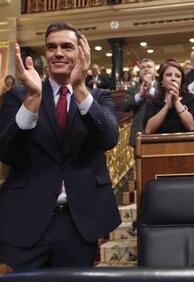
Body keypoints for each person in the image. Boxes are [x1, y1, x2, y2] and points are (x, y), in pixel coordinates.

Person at [0, 22, 121, 270]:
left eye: (67, 46)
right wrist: (33, 100)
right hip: (26, 218)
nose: (58, 53)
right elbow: (6, 153)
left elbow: (108, 139)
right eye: (51, 47)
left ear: (80, 53)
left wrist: (79, 88)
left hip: (78, 223)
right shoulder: (19, 96)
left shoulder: (99, 97)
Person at [144, 60, 194, 134]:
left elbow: (191, 127)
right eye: (169, 75)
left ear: (181, 81)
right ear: (162, 81)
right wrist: (167, 107)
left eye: (178, 76)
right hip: (160, 144)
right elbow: (148, 130)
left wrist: (176, 102)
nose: (173, 79)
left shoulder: (191, 99)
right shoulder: (153, 102)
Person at [121, 58, 157, 146]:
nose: (146, 69)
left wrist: (151, 90)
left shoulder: (162, 85)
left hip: (159, 133)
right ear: (139, 72)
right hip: (139, 134)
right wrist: (139, 95)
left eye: (149, 67)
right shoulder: (133, 88)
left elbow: (165, 101)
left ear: (155, 71)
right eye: (143, 68)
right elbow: (124, 106)